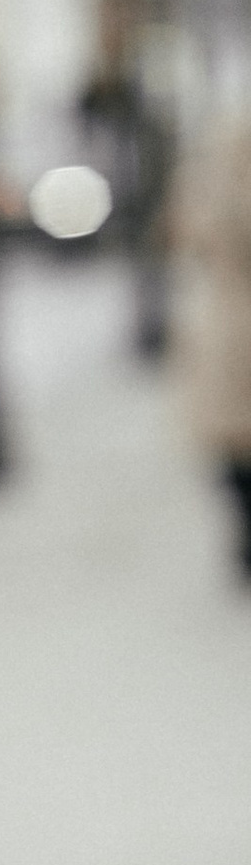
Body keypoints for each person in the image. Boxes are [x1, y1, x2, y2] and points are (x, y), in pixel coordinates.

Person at [173, 111, 251, 574]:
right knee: (234, 444)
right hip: (231, 322)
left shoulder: (208, 166)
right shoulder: (223, 165)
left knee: (232, 444)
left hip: (223, 319)